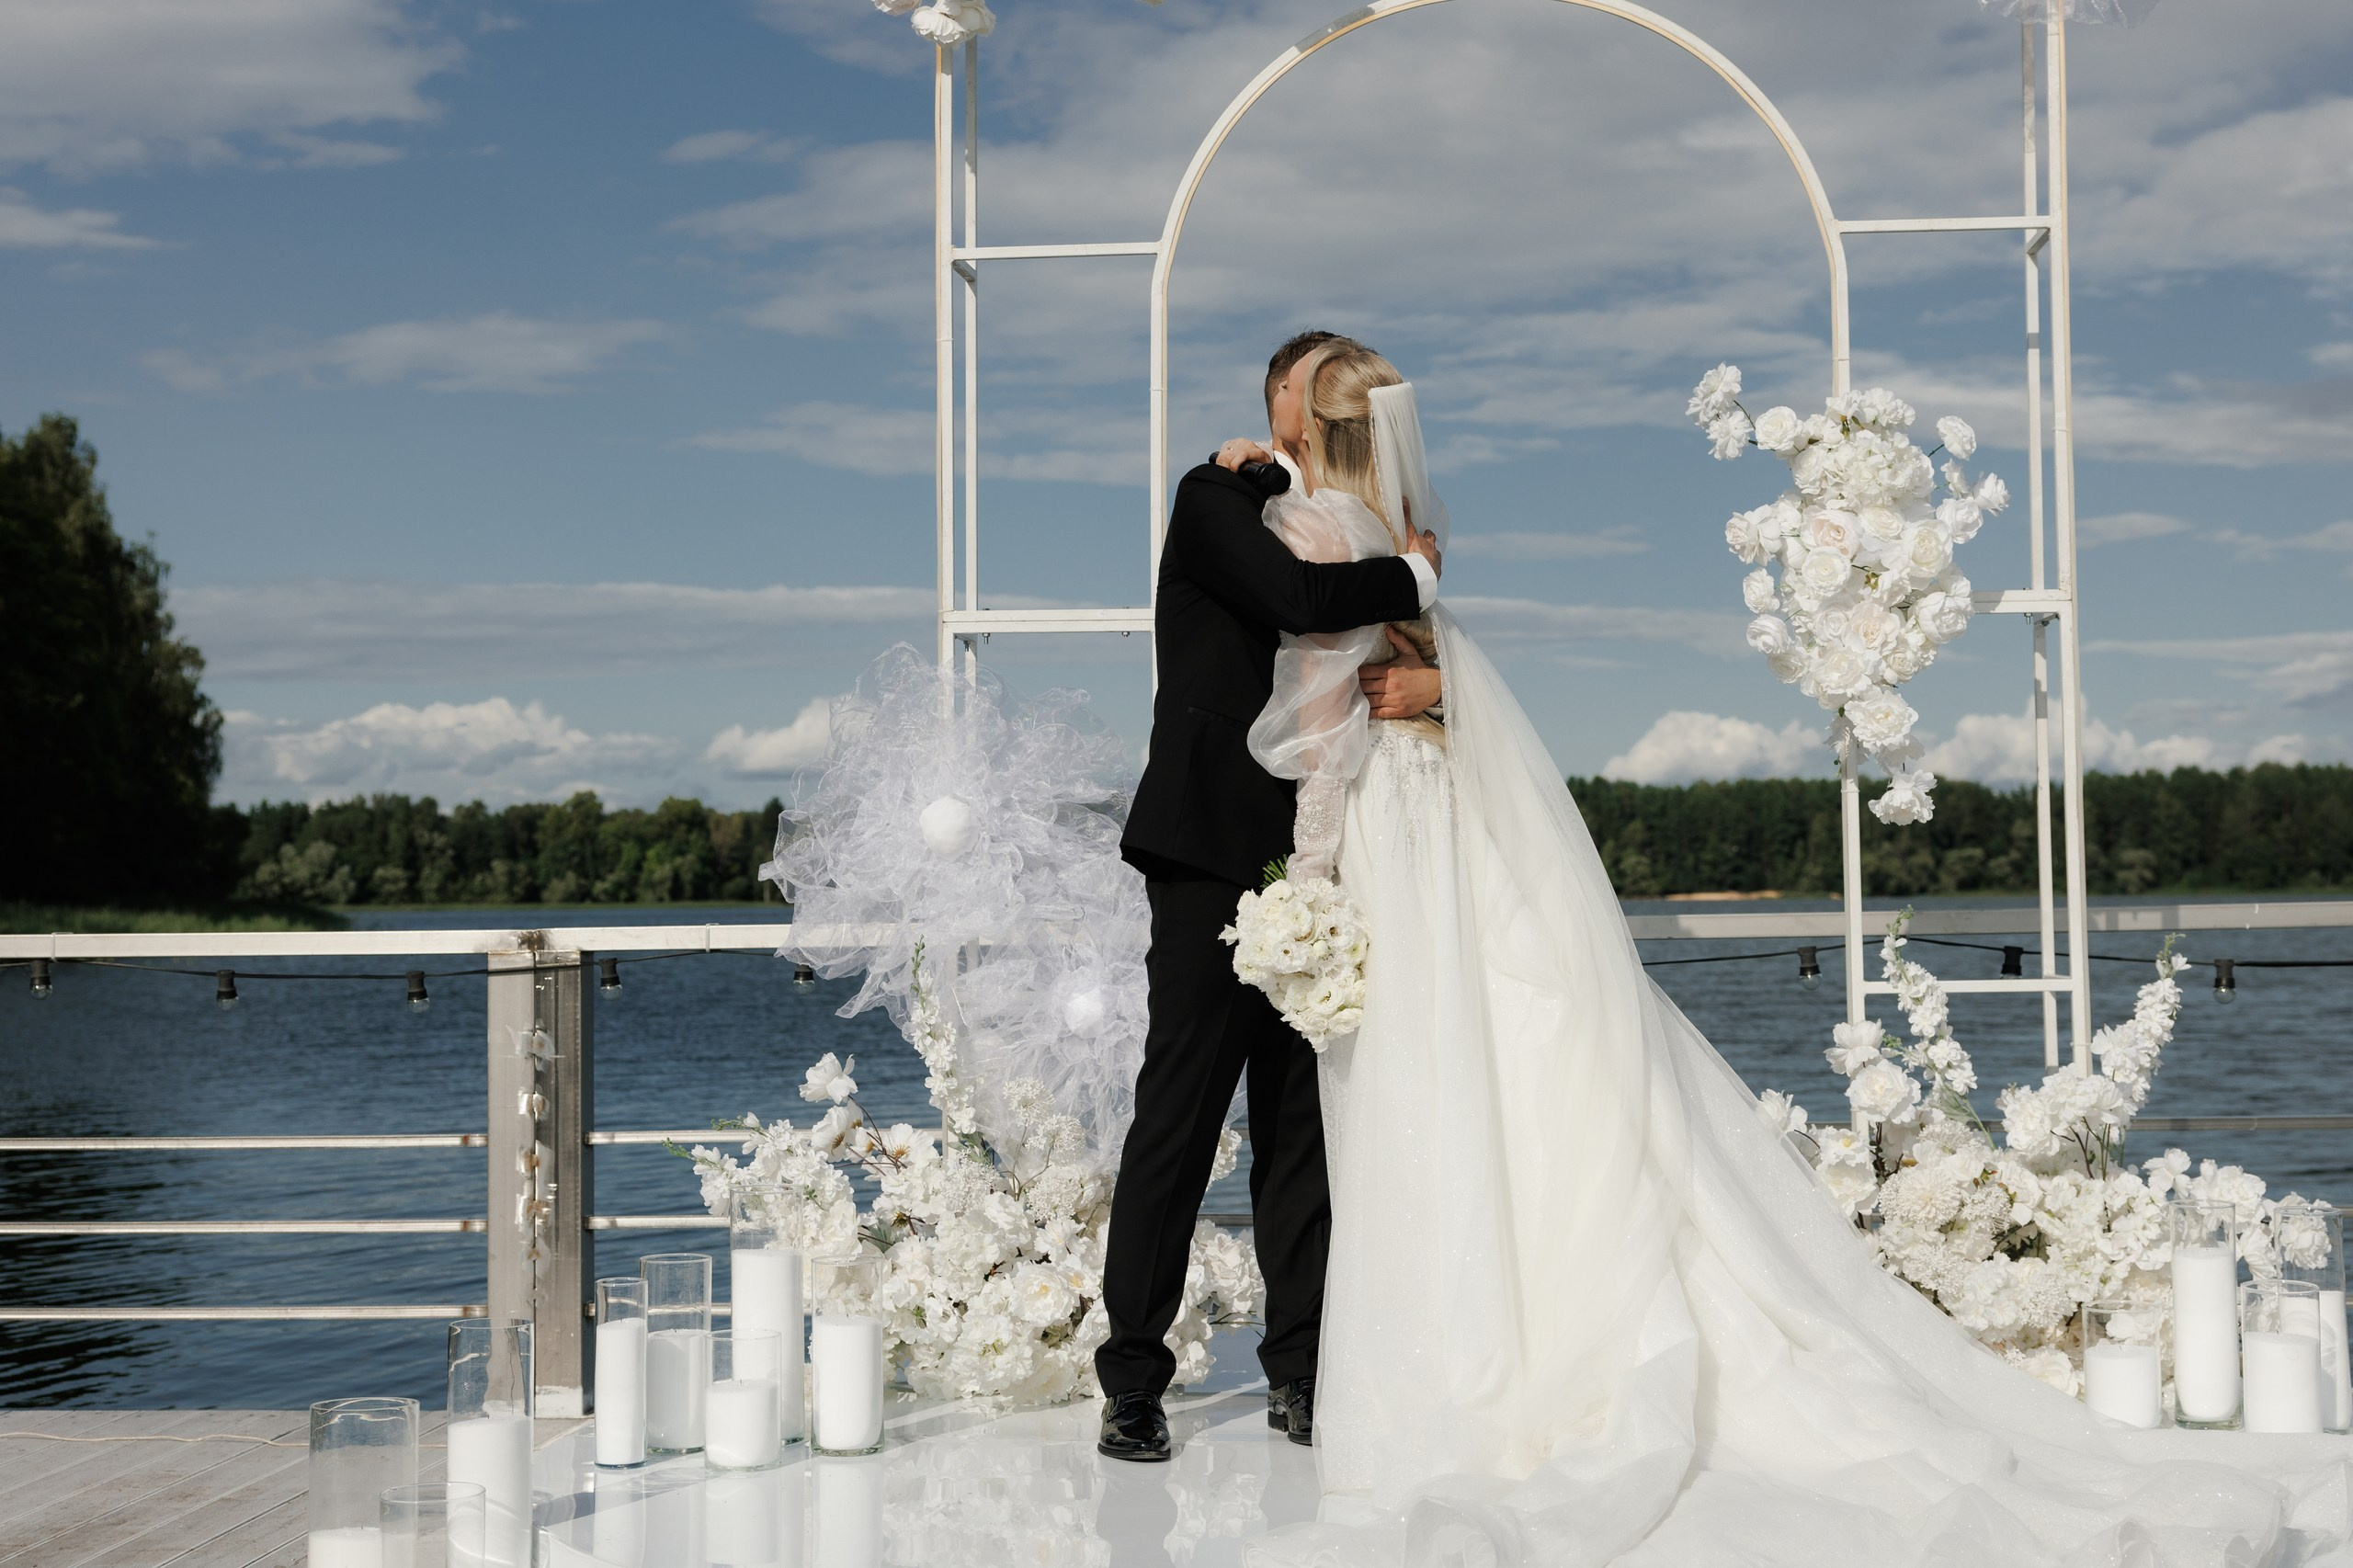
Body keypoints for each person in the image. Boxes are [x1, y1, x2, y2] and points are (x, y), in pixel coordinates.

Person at [1223, 339, 2353, 1566]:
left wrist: (1307, 885)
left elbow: (1310, 733)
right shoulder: (1412, 546)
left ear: (1312, 425)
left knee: (1421, 1092)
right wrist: (1431, 692)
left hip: (1393, 837)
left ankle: (1450, 1372)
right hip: (1451, 831)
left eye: (1287, 406)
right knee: (1503, 1065)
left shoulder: (1317, 529)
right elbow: (1440, 689)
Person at [1095, 330, 1447, 1464]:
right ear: (1281, 397)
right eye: (1318, 380)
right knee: (1180, 1116)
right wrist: (1419, 574)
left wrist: (1429, 664)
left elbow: (1419, 672)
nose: (1336, 398)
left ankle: (1299, 1371)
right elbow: (1296, 599)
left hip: (1323, 857)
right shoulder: (1215, 498)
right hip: (1208, 852)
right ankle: (1131, 1380)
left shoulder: (1371, 529)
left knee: (1301, 1130)